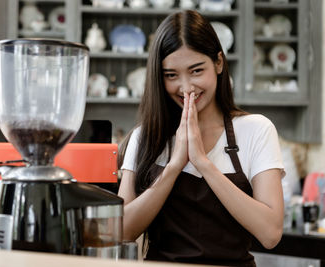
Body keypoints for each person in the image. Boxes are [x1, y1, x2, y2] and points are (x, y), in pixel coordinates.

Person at [117, 10, 284, 266]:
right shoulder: (144, 137)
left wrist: (202, 162)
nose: (186, 87)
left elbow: (270, 233)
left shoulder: (257, 130)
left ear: (218, 62)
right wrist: (174, 167)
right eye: (171, 75)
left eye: (196, 71)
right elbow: (123, 231)